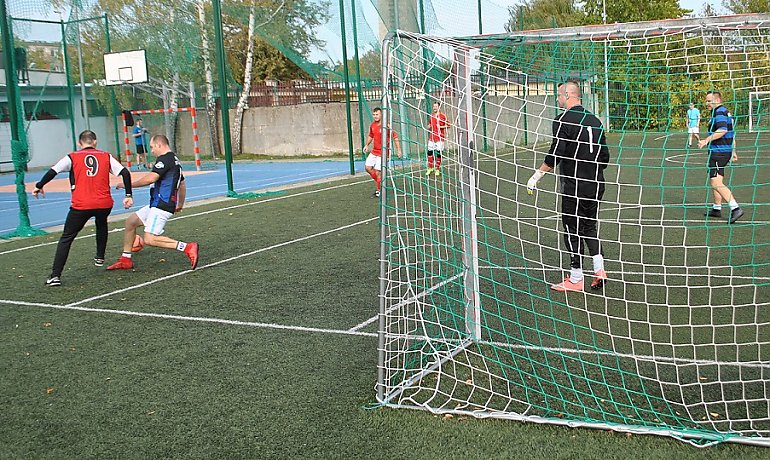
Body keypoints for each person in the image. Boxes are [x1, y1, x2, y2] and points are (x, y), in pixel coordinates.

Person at [527, 80, 610, 292]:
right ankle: (599, 270)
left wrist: (536, 176)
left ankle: (575, 279)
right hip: (596, 184)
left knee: (571, 229)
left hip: (574, 185)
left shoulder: (562, 119)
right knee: (589, 227)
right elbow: (605, 157)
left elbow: (556, 153)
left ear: (568, 95)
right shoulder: (595, 121)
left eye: (559, 95)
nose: (557, 99)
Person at [32, 130, 133, 286]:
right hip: (103, 203)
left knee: (67, 238)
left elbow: (53, 171)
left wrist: (39, 186)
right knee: (101, 223)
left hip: (82, 204)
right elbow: (125, 173)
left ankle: (55, 276)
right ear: (95, 142)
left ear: (80, 143)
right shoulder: (106, 156)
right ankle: (100, 256)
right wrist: (128, 195)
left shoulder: (72, 157)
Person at [107, 134, 199, 270]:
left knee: (150, 239)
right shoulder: (174, 160)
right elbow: (182, 184)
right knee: (131, 222)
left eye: (152, 147)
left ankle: (187, 247)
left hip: (161, 204)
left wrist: (128, 185)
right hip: (158, 204)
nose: (152, 150)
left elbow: (151, 178)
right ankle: (126, 259)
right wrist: (180, 204)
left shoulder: (165, 159)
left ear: (159, 145)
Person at [698, 91, 744, 224]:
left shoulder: (719, 112)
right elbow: (732, 132)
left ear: (717, 100)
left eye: (708, 101)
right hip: (723, 151)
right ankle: (716, 208)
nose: (706, 103)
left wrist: (706, 140)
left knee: (716, 183)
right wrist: (733, 150)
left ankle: (735, 208)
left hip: (719, 152)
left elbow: (723, 130)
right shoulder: (725, 112)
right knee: (716, 179)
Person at [363, 107, 403, 197]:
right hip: (374, 151)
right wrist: (366, 145)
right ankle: (380, 184)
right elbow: (371, 135)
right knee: (368, 167)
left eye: (377, 114)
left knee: (378, 172)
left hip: (384, 152)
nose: (375, 116)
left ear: (381, 115)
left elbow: (395, 137)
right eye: (374, 115)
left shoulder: (386, 126)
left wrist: (398, 150)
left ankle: (379, 190)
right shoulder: (372, 125)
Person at [426, 101, 449, 177]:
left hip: (440, 138)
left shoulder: (443, 116)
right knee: (429, 152)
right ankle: (430, 168)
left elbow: (448, 125)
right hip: (432, 138)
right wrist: (429, 126)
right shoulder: (431, 116)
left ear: (439, 107)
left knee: (439, 153)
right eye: (434, 106)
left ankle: (437, 169)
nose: (434, 108)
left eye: (436, 106)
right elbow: (430, 124)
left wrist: (441, 127)